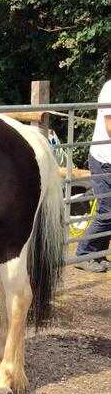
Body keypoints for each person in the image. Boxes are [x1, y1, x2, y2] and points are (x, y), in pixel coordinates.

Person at [75, 78, 111, 272]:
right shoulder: (109, 88)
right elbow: (110, 127)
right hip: (104, 159)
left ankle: (98, 255)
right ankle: (83, 254)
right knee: (106, 209)